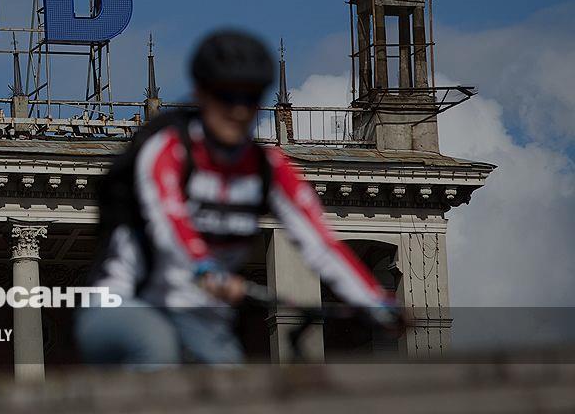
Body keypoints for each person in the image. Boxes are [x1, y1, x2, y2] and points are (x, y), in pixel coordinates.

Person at [76, 29, 401, 365]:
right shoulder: (167, 149)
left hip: (200, 317)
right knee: (156, 346)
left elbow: (321, 242)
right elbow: (168, 224)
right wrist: (207, 269)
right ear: (201, 95)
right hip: (124, 303)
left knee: (235, 381)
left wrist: (376, 302)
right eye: (227, 97)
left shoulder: (268, 167)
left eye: (251, 98)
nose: (239, 110)